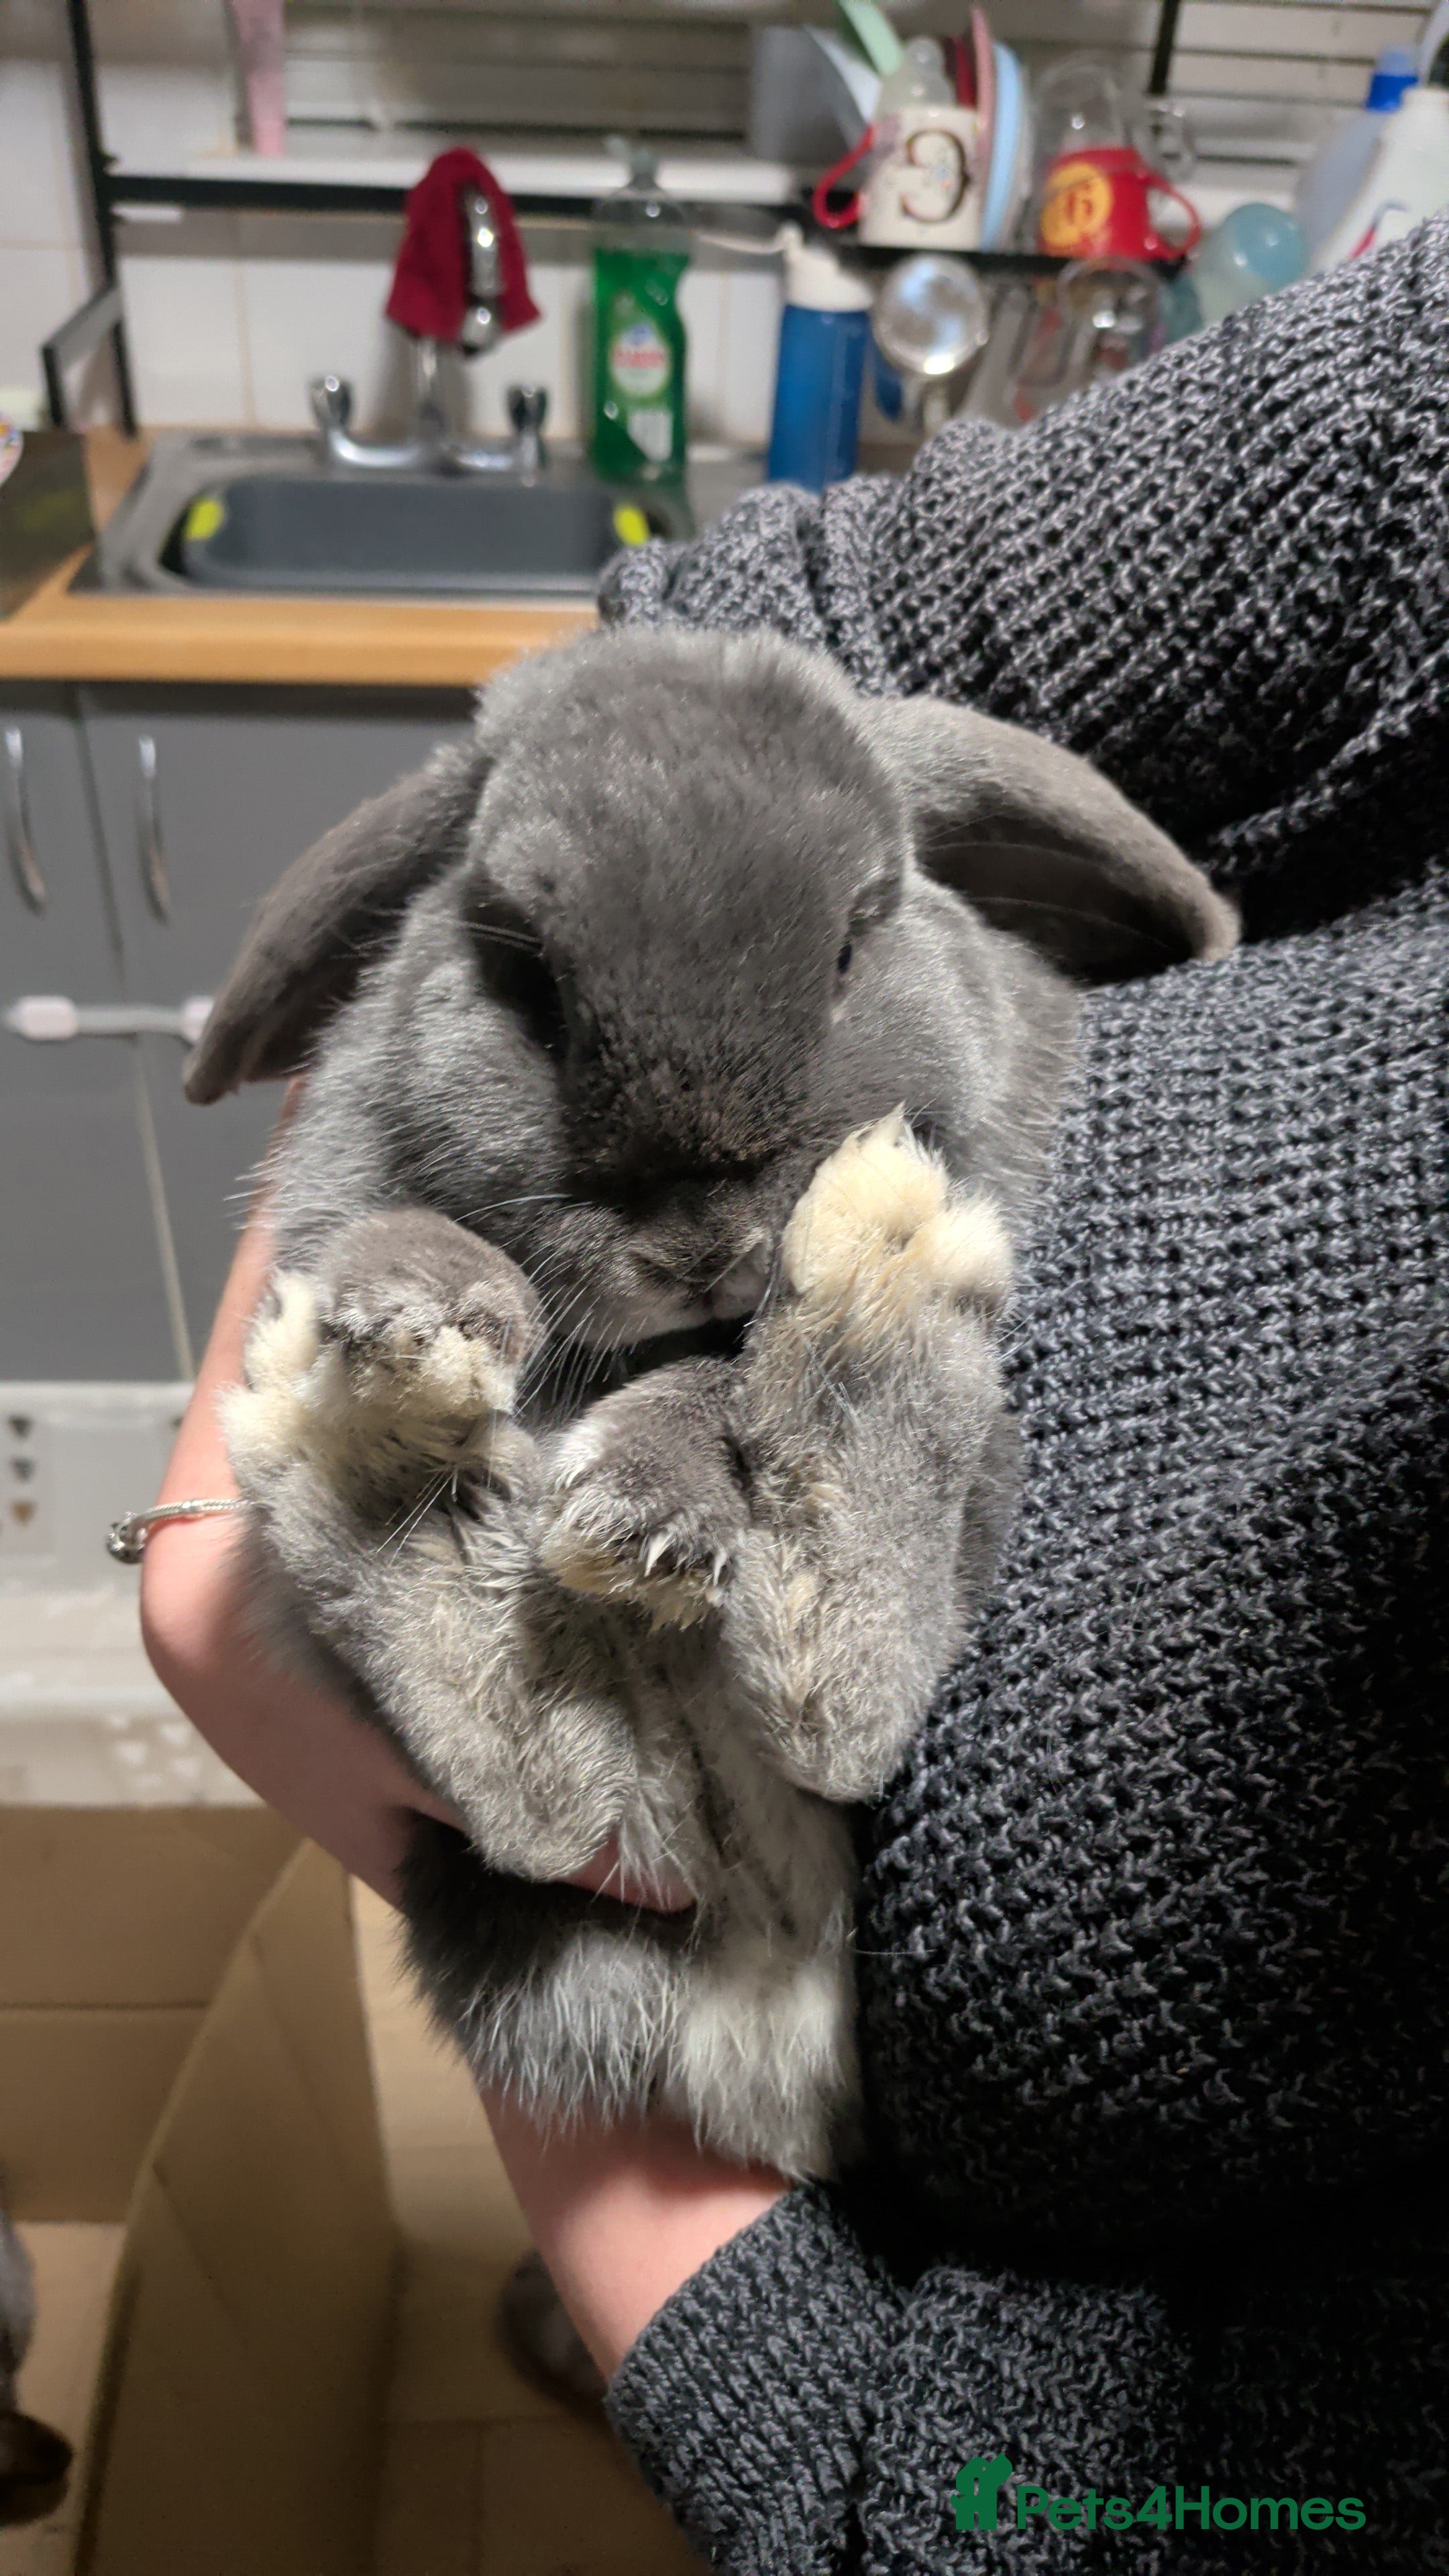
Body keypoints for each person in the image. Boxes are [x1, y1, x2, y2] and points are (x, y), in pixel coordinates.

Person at [142, 215, 1449, 2569]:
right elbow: (764, 653)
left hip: (869, 2159)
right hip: (554, 1837)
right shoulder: (1419, 413)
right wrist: (260, 1530)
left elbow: (1054, 2514)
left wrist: (673, 2264)